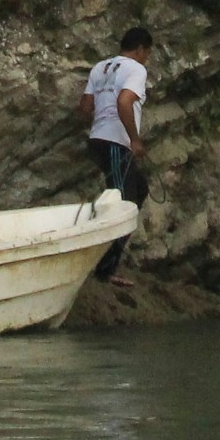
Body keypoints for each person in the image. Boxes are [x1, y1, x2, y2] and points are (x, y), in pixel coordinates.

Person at [80, 26, 154, 280]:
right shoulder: (136, 69)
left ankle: (103, 259)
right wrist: (134, 139)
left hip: (98, 140)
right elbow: (124, 102)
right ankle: (104, 270)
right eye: (148, 53)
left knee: (139, 188)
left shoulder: (100, 67)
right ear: (141, 49)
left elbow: (86, 105)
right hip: (115, 142)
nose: (147, 58)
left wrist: (101, 121)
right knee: (126, 207)